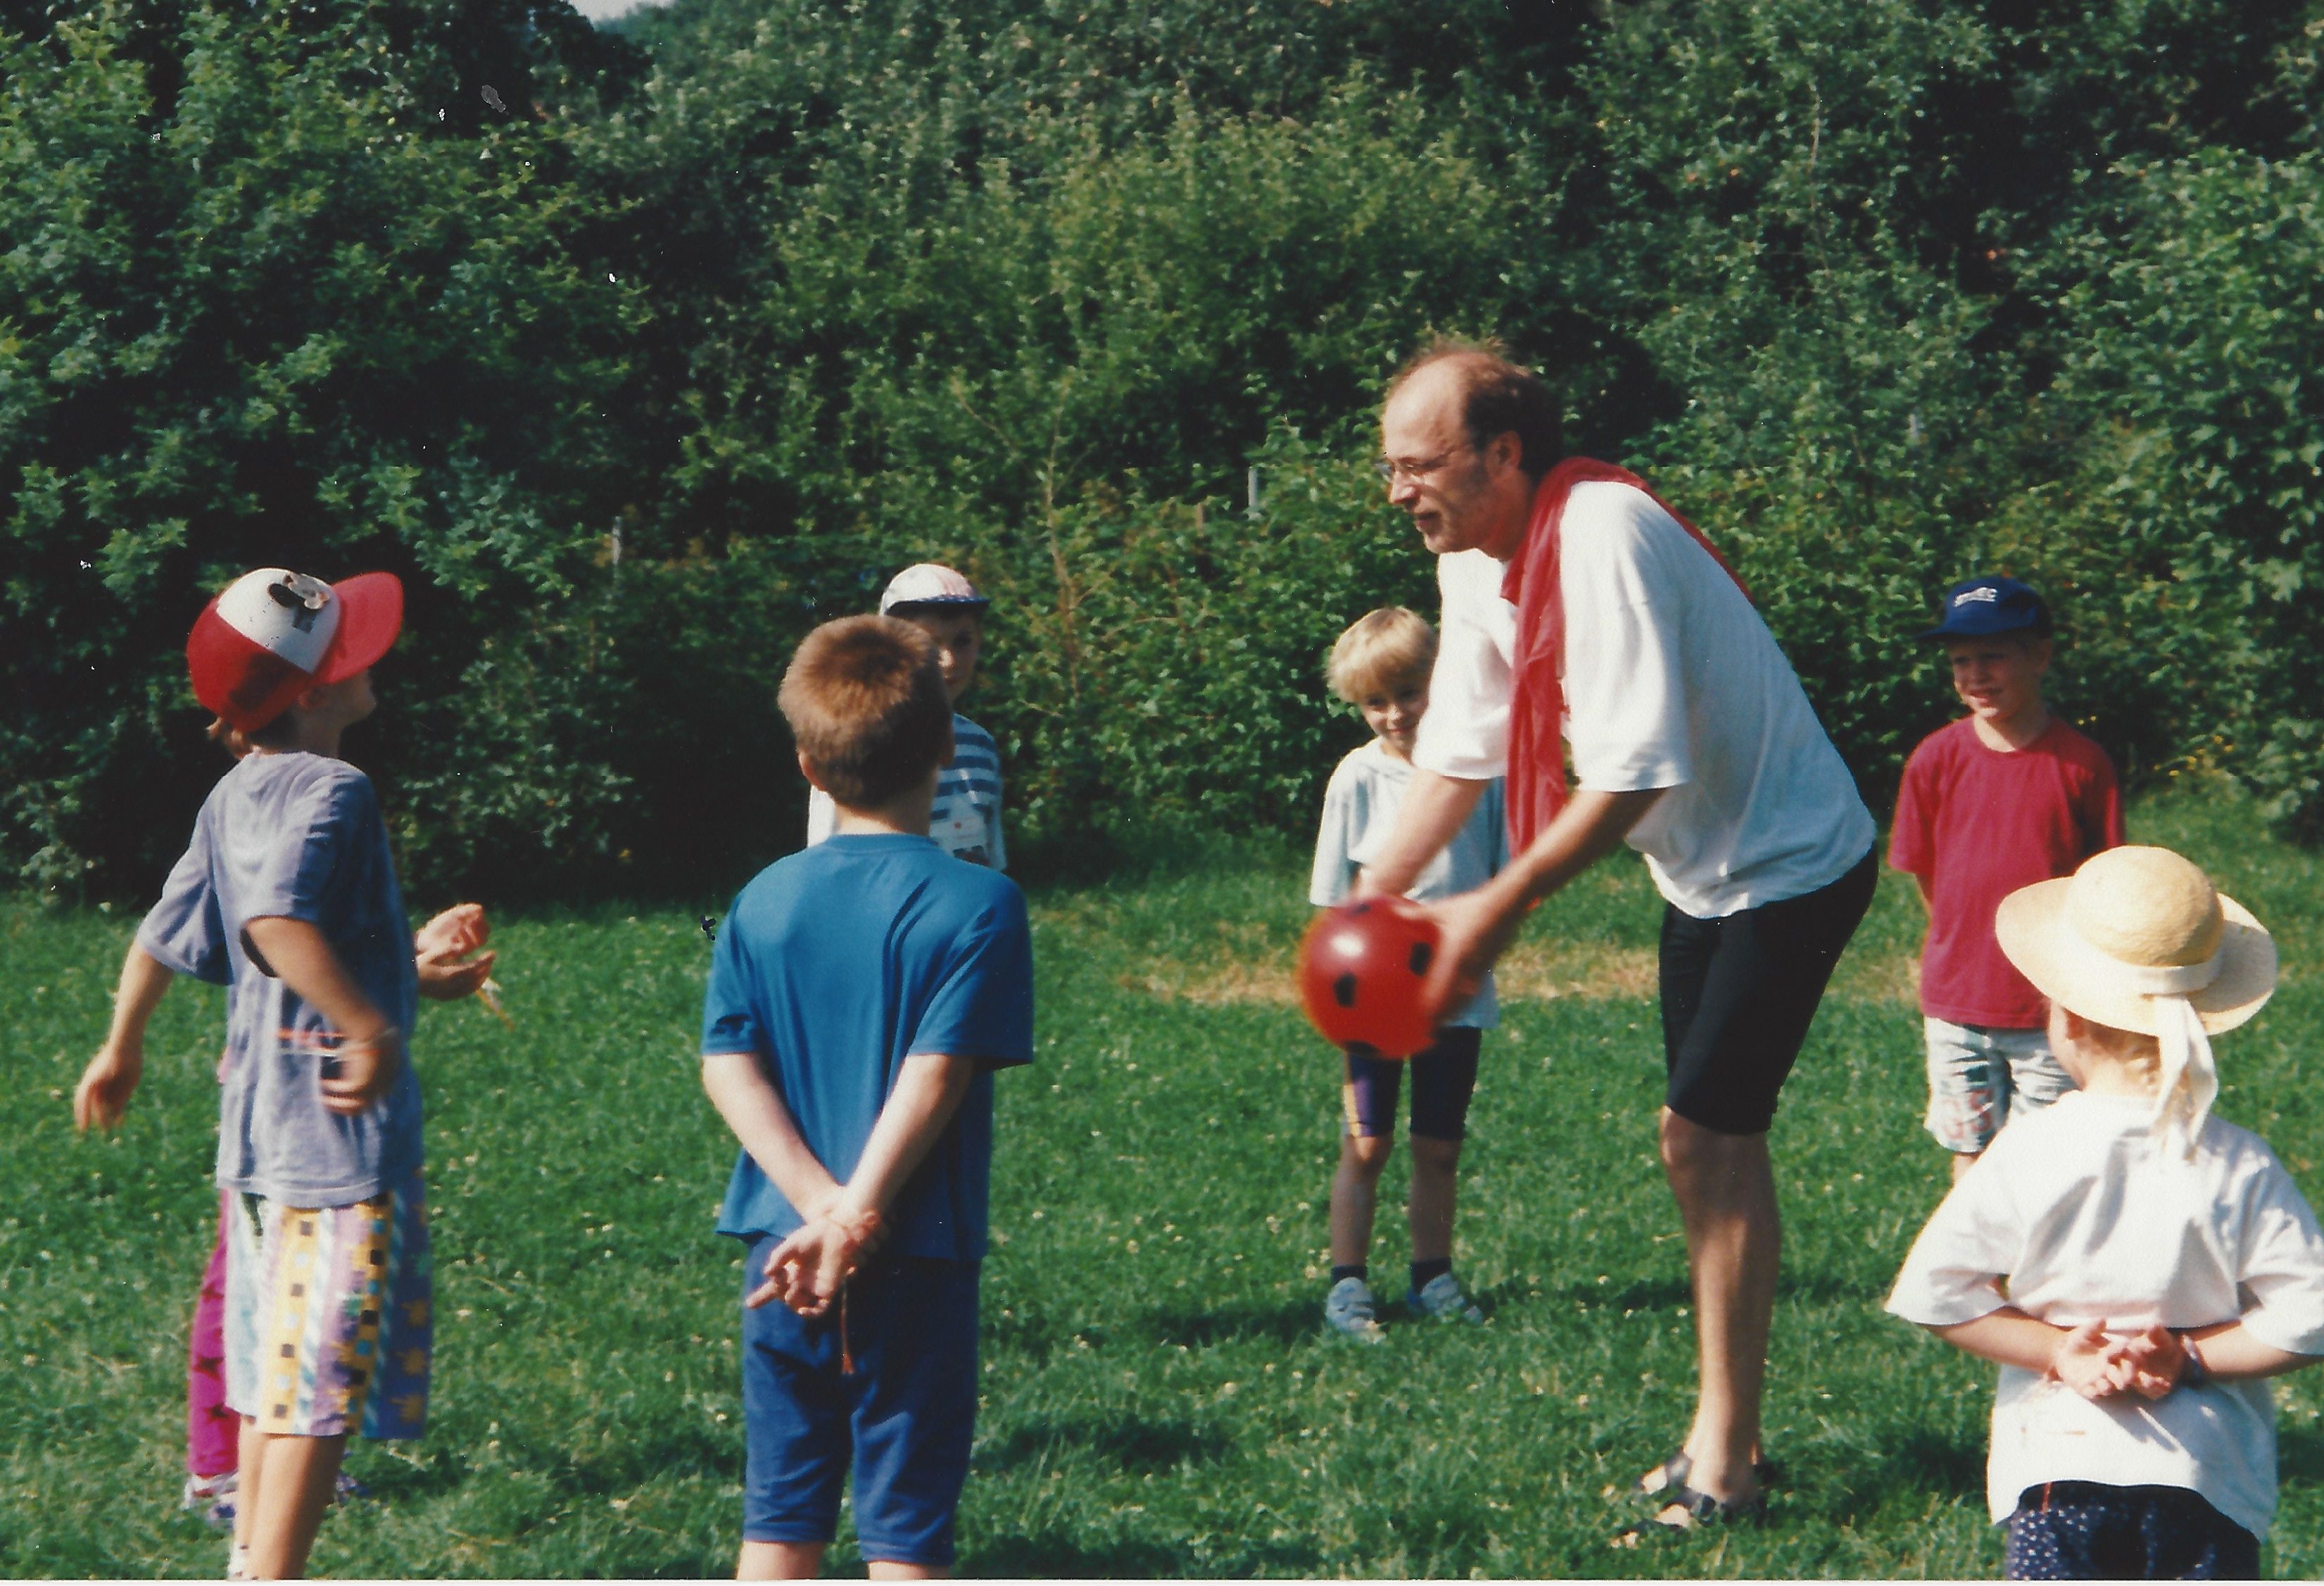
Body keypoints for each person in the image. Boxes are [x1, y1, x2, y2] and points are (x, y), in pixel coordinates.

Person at [1353, 339, 1878, 1535]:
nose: (1397, 491)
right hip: (1701, 876)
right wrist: (1375, 893)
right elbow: (1463, 747)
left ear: (1501, 453)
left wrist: (1490, 909)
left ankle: (1724, 1462)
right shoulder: (1476, 561)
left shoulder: (1604, 533)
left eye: (1417, 464)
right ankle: (1728, 1432)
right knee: (1706, 1145)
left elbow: (1637, 774)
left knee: (1701, 1135)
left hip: (1793, 864)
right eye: (1388, 467)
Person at [70, 567, 493, 1579]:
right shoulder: (334, 789)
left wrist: (122, 1046)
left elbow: (165, 933)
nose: (371, 659)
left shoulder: (234, 794)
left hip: (259, 1145)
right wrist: (369, 1028)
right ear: (310, 690)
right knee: (319, 1394)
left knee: (273, 1379)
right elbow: (274, 924)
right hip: (334, 1152)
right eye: (348, 651)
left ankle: (249, 1564)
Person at [700, 615, 1035, 1580]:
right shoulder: (981, 904)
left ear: (808, 765)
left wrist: (816, 1210)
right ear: (945, 744)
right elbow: (937, 1070)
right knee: (905, 1535)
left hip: (781, 1253)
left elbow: (727, 1065)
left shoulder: (762, 898)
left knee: (778, 1522)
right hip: (913, 1253)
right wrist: (852, 1219)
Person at [1886, 844, 2324, 1579]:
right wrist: (2190, 1358)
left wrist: (2058, 1351)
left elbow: (1936, 1293)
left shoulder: (2028, 1150)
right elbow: (2309, 1315)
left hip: (2058, 1471)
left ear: (2067, 1023)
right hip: (2205, 1482)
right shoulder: (2240, 1163)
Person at [1308, 608, 1505, 1342]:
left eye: (1409, 693)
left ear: (1439, 681)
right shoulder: (1355, 778)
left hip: (1454, 993)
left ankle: (1432, 1277)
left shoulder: (1479, 771)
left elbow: (1503, 879)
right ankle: (1347, 1284)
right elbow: (1333, 904)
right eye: (1375, 702)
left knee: (1438, 1146)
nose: (1394, 714)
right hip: (1373, 1001)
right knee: (1367, 1143)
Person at [1890, 576, 2123, 1181]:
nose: (1976, 675)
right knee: (1971, 1156)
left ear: (2039, 656)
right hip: (1957, 1005)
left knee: (2042, 1164)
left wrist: (2067, 983)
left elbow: (2104, 884)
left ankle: (2041, 1250)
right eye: (1960, 661)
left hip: (2050, 1010)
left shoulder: (2082, 764)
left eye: (1992, 656)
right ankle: (1977, 1249)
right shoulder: (1934, 759)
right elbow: (1929, 879)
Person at [807, 564, 1004, 867]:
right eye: (928, 644)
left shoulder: (982, 747)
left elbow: (991, 860)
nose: (949, 661)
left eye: (963, 641)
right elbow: (827, 865)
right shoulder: (853, 742)